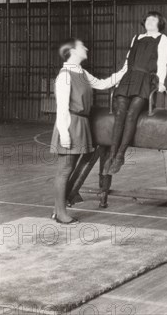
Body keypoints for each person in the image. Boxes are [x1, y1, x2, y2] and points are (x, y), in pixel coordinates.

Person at [51, 39, 119, 224]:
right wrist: (64, 134)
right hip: (70, 123)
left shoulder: (82, 72)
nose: (86, 48)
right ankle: (60, 213)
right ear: (72, 50)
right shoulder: (65, 76)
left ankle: (59, 209)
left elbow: (104, 84)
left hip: (82, 123)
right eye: (82, 46)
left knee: (71, 168)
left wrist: (125, 70)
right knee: (65, 170)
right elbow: (62, 108)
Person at [104, 11, 167, 175]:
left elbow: (162, 62)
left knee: (132, 114)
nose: (150, 21)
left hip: (146, 80)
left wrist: (160, 82)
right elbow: (127, 64)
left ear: (159, 23)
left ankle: (120, 155)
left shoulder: (162, 39)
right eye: (148, 19)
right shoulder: (136, 38)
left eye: (154, 19)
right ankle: (111, 155)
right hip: (129, 78)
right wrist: (115, 80)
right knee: (120, 113)